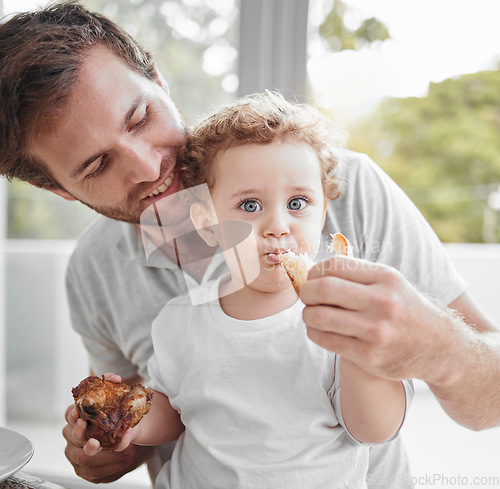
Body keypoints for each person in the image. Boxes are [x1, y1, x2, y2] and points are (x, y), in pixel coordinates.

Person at [0, 2, 499, 488]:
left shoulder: (343, 187)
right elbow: (151, 414)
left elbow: (490, 400)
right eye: (97, 165)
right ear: (58, 189)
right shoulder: (96, 273)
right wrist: (110, 449)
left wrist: (437, 346)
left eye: (139, 118)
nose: (148, 167)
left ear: (158, 80)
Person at [82, 91, 411, 489]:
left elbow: (373, 429)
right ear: (206, 222)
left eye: (298, 202)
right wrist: (129, 419)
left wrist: (355, 346)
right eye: (250, 206)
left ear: (323, 212)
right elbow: (173, 411)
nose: (278, 225)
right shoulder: (180, 320)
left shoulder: (341, 315)